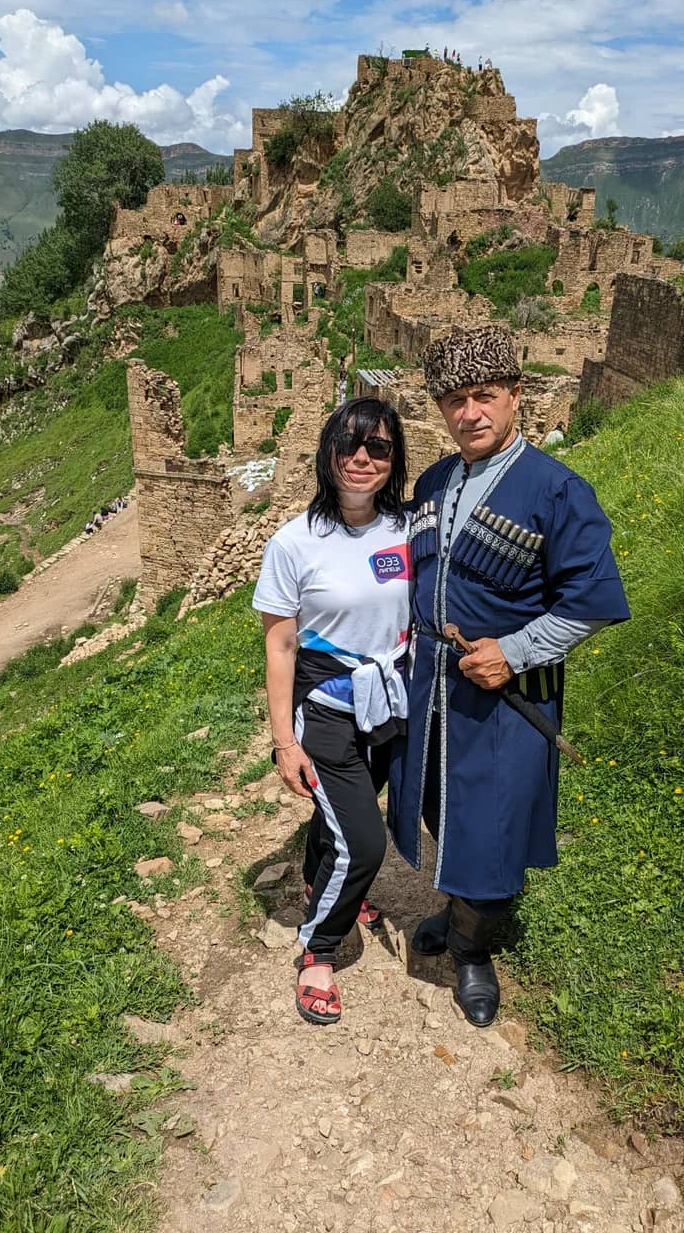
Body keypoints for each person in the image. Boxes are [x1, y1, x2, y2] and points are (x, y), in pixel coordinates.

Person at [388, 324, 630, 1026]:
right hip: (433, 687)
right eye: (454, 400)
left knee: (493, 826)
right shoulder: (434, 481)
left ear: (515, 396)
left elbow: (590, 602)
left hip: (506, 697)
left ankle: (471, 948)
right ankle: (456, 904)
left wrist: (516, 651)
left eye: (484, 395)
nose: (470, 413)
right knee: (440, 806)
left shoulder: (556, 491)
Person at [253, 398, 410, 1025]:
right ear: (327, 453)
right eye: (349, 445)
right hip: (324, 708)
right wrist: (284, 742)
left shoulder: (406, 529)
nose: (362, 458)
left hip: (386, 701)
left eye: (379, 447)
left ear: (394, 459)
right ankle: (318, 953)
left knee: (342, 817)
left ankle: (322, 880)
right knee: (366, 843)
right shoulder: (295, 543)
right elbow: (281, 647)